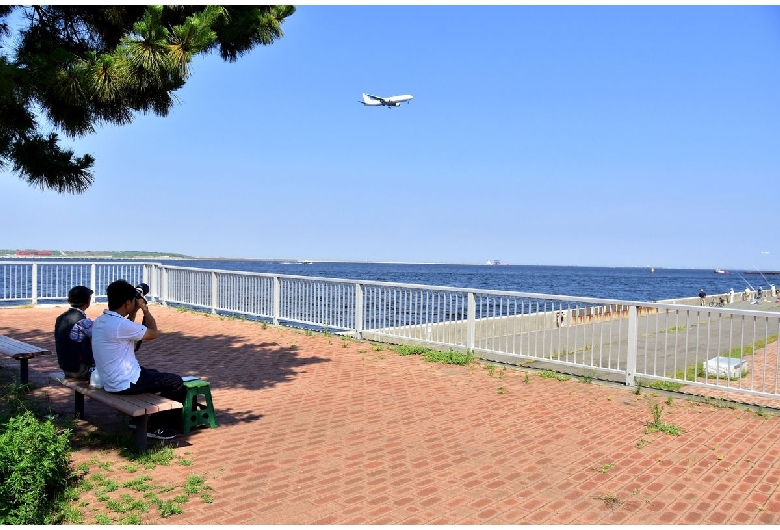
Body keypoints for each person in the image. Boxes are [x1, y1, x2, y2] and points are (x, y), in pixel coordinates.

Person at [91, 279, 185, 440]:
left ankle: (137, 422)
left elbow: (126, 331)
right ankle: (156, 427)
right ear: (128, 302)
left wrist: (133, 312)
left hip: (110, 380)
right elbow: (153, 333)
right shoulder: (120, 325)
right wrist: (145, 310)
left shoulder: (102, 320)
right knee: (175, 382)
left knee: (154, 374)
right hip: (125, 383)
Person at [54, 286, 95, 380]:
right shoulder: (83, 322)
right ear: (87, 302)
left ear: (69, 300)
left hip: (65, 367)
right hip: (80, 370)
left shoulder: (60, 318)